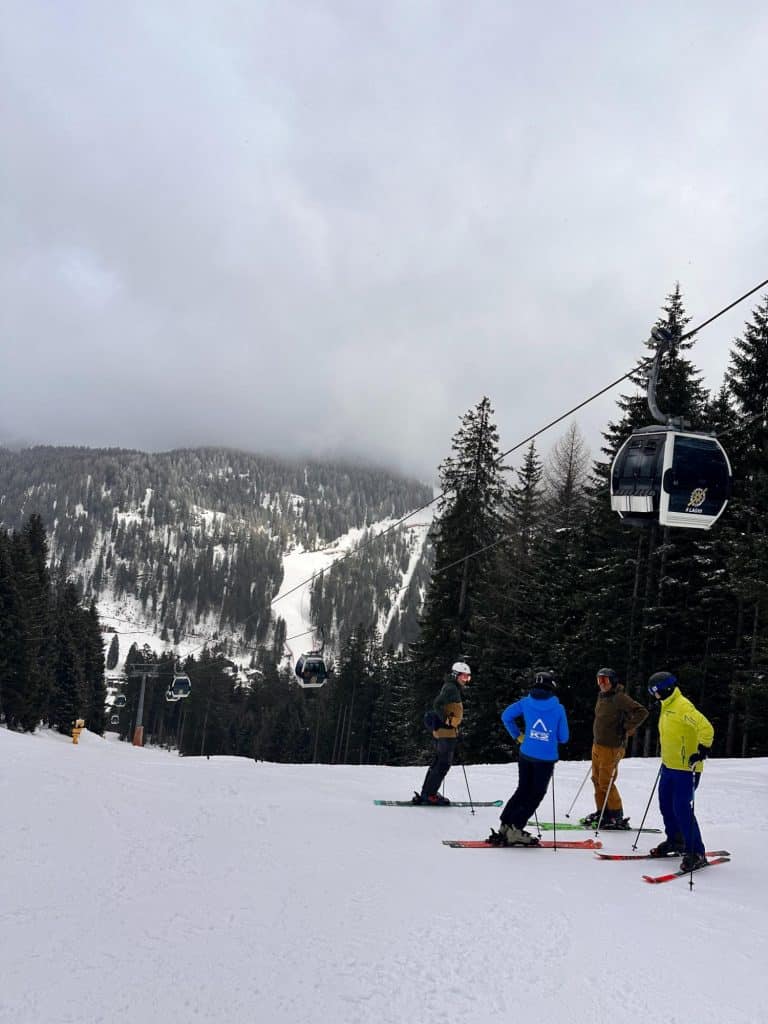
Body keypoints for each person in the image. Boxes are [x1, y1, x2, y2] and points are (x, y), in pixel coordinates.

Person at [488, 671, 569, 846]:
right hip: (545, 758)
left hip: (526, 754)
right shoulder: (558, 708)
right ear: (552, 687)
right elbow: (564, 737)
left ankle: (505, 825)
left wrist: (518, 736)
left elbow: (506, 716)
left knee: (523, 789)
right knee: (536, 794)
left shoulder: (525, 703)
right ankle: (516, 830)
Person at [647, 670, 714, 871]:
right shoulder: (667, 706)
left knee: (681, 808)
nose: (654, 696)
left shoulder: (683, 706)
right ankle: (676, 841)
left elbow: (706, 728)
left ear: (666, 689)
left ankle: (696, 852)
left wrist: (702, 751)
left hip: (686, 769)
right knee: (666, 805)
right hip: (669, 766)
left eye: (655, 692)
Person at [581, 667, 648, 829]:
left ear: (613, 681)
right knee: (596, 780)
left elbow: (642, 712)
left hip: (612, 747)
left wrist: (628, 726)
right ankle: (602, 812)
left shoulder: (619, 698)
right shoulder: (602, 696)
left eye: (605, 680)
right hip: (598, 745)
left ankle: (616, 814)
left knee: (606, 781)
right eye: (599, 680)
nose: (602, 684)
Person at [412, 661, 471, 805]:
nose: (466, 680)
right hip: (446, 733)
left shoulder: (452, 686)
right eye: (463, 677)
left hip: (444, 732)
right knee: (443, 764)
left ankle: (427, 792)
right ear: (455, 675)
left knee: (438, 762)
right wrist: (448, 720)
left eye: (468, 677)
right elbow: (437, 704)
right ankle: (429, 794)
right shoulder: (451, 688)